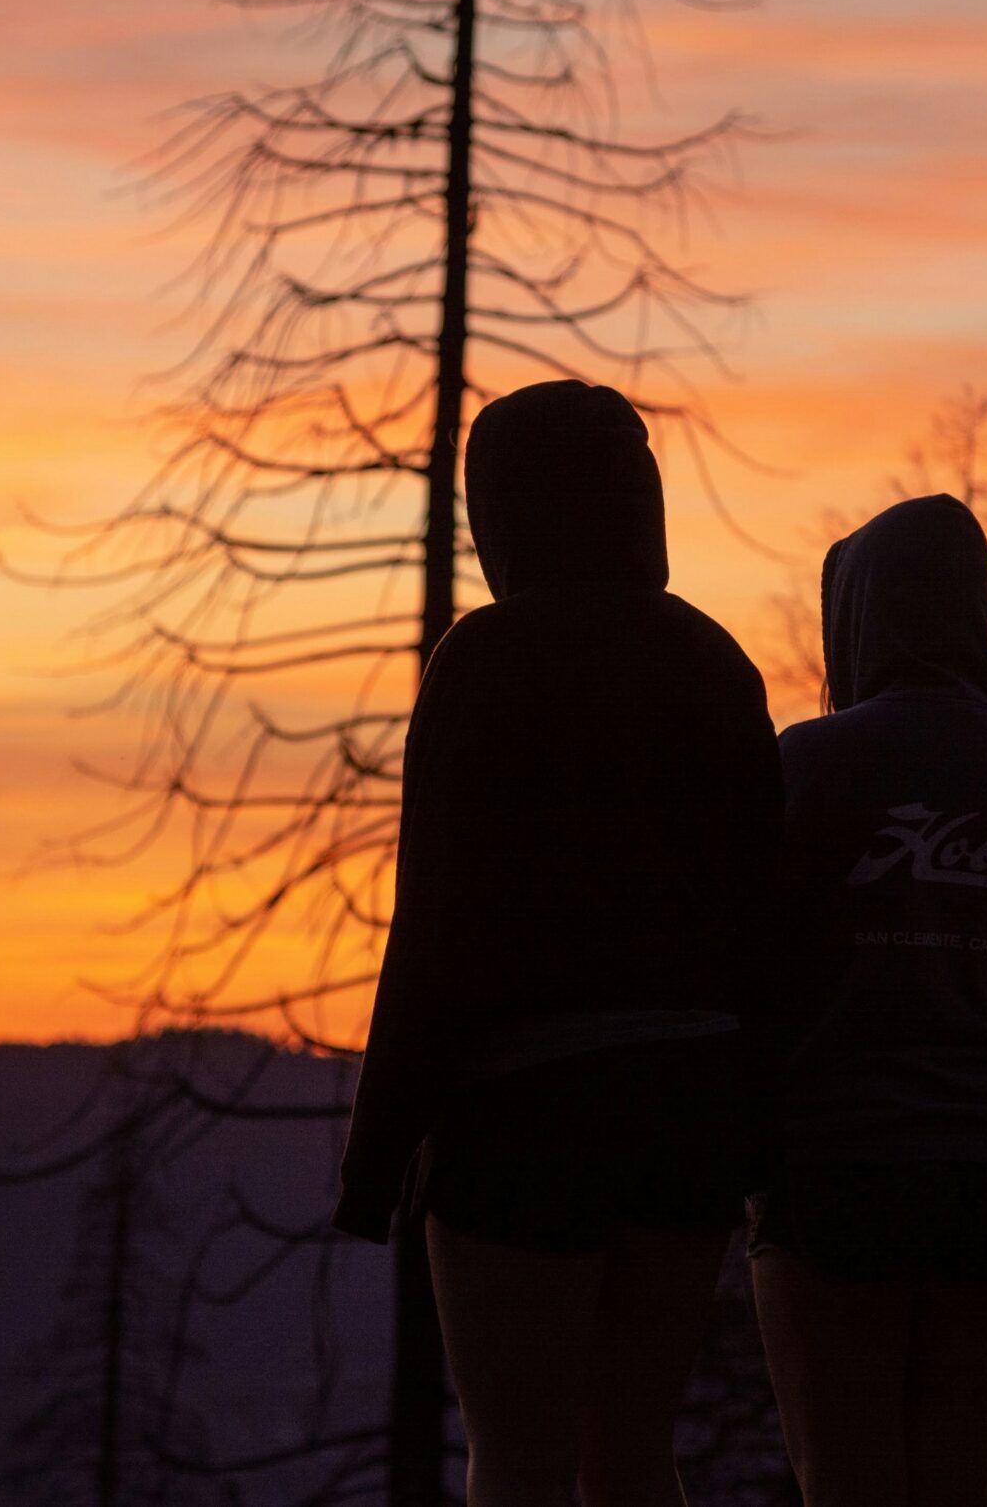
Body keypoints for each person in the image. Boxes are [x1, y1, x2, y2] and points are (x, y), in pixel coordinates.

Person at [331, 381, 783, 1507]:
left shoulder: (484, 659)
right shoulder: (715, 662)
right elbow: (764, 914)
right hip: (687, 1109)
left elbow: (435, 925)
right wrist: (758, 1130)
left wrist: (375, 1160)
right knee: (636, 1448)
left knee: (518, 1459)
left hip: (521, 1117)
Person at [752, 493, 987, 1507]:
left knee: (842, 1471)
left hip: (836, 1167)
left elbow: (748, 965)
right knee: (951, 1473)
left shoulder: (803, 767)